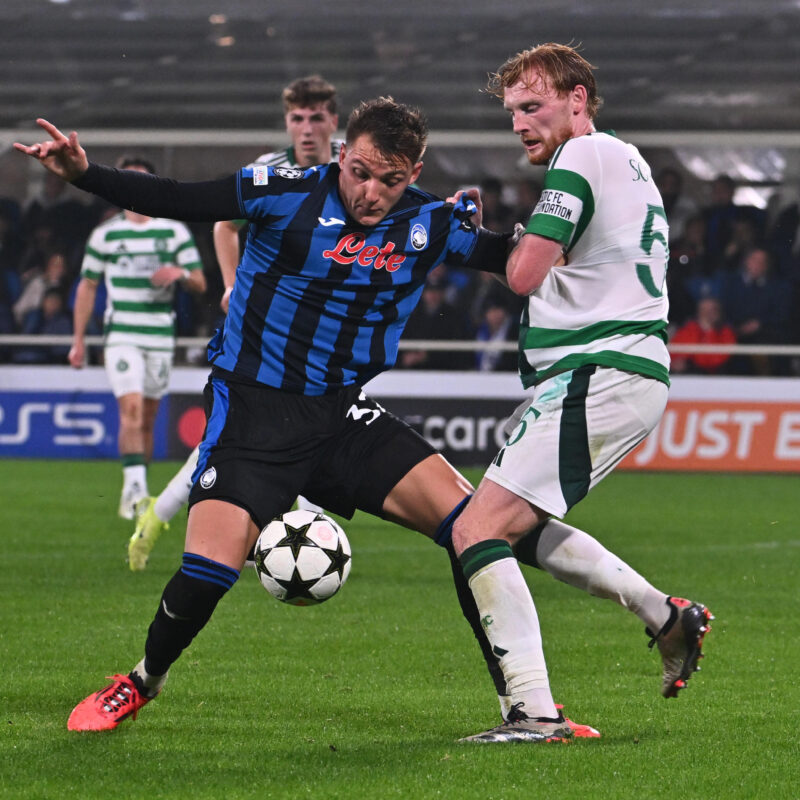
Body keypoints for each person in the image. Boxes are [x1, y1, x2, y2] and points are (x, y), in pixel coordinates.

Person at [18, 100, 576, 738]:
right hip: (251, 412)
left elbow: (516, 260)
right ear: (342, 153)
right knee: (209, 571)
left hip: (341, 415)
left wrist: (563, 218)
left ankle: (528, 711)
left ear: (414, 172)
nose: (371, 192)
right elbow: (179, 197)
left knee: (473, 529)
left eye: (390, 180)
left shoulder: (430, 222)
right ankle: (141, 680)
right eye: (360, 171)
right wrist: (87, 174)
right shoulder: (279, 192)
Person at [443, 43, 712, 743]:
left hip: (601, 368)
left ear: (577, 100)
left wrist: (463, 241)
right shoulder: (626, 161)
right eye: (512, 113)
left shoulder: (581, 158)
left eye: (533, 106)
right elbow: (549, 258)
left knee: (476, 529)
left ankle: (533, 712)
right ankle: (665, 615)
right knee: (510, 529)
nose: (520, 123)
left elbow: (526, 273)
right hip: (619, 370)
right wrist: (484, 238)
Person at [130, 75, 343, 570]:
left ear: (334, 120)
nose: (306, 129)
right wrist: (229, 285)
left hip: (328, 326)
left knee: (315, 425)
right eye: (297, 118)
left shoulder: (354, 166)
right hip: (266, 325)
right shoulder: (270, 170)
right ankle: (163, 516)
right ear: (287, 122)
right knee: (246, 433)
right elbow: (224, 223)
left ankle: (165, 514)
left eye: (316, 118)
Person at [68, 155, 207, 519]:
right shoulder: (106, 234)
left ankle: (137, 483)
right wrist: (79, 340)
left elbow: (200, 283)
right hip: (122, 333)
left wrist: (179, 272)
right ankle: (134, 492)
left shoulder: (173, 232)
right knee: (129, 410)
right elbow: (87, 286)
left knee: (147, 417)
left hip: (160, 334)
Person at [670, 296, 737, 375]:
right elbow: (674, 353)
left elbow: (717, 359)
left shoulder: (726, 332)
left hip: (719, 374)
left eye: (713, 310)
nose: (709, 314)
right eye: (705, 310)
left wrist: (709, 331)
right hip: (691, 374)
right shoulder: (689, 329)